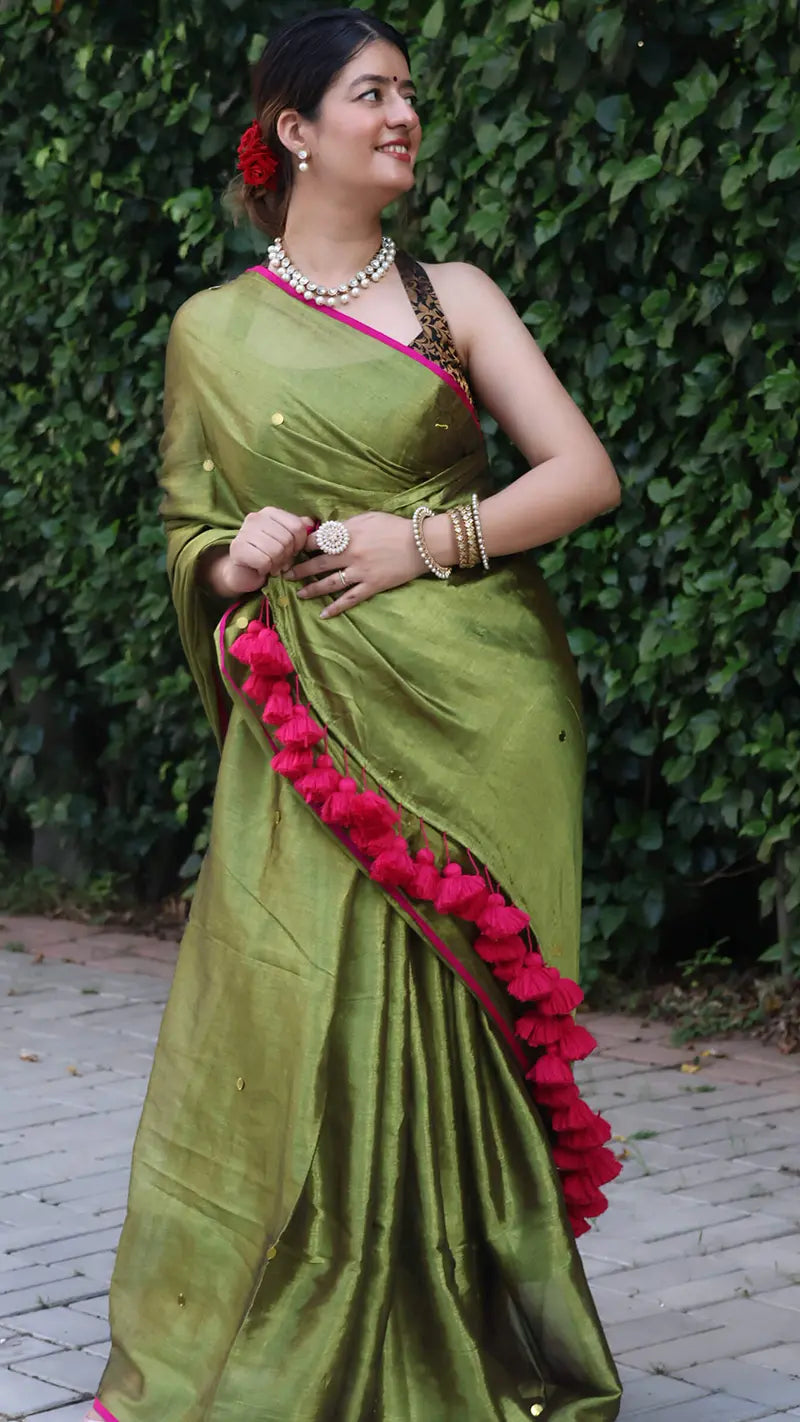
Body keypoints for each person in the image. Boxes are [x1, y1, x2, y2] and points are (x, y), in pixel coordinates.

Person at [87, 9, 623, 1420]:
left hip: (474, 708)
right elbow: (190, 532)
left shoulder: (456, 297)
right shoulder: (211, 331)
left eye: (410, 94)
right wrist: (240, 557)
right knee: (297, 1013)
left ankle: (463, 1329)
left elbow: (580, 474)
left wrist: (422, 540)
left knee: (450, 1025)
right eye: (372, 93)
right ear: (295, 130)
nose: (403, 117)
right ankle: (290, 1325)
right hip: (310, 726)